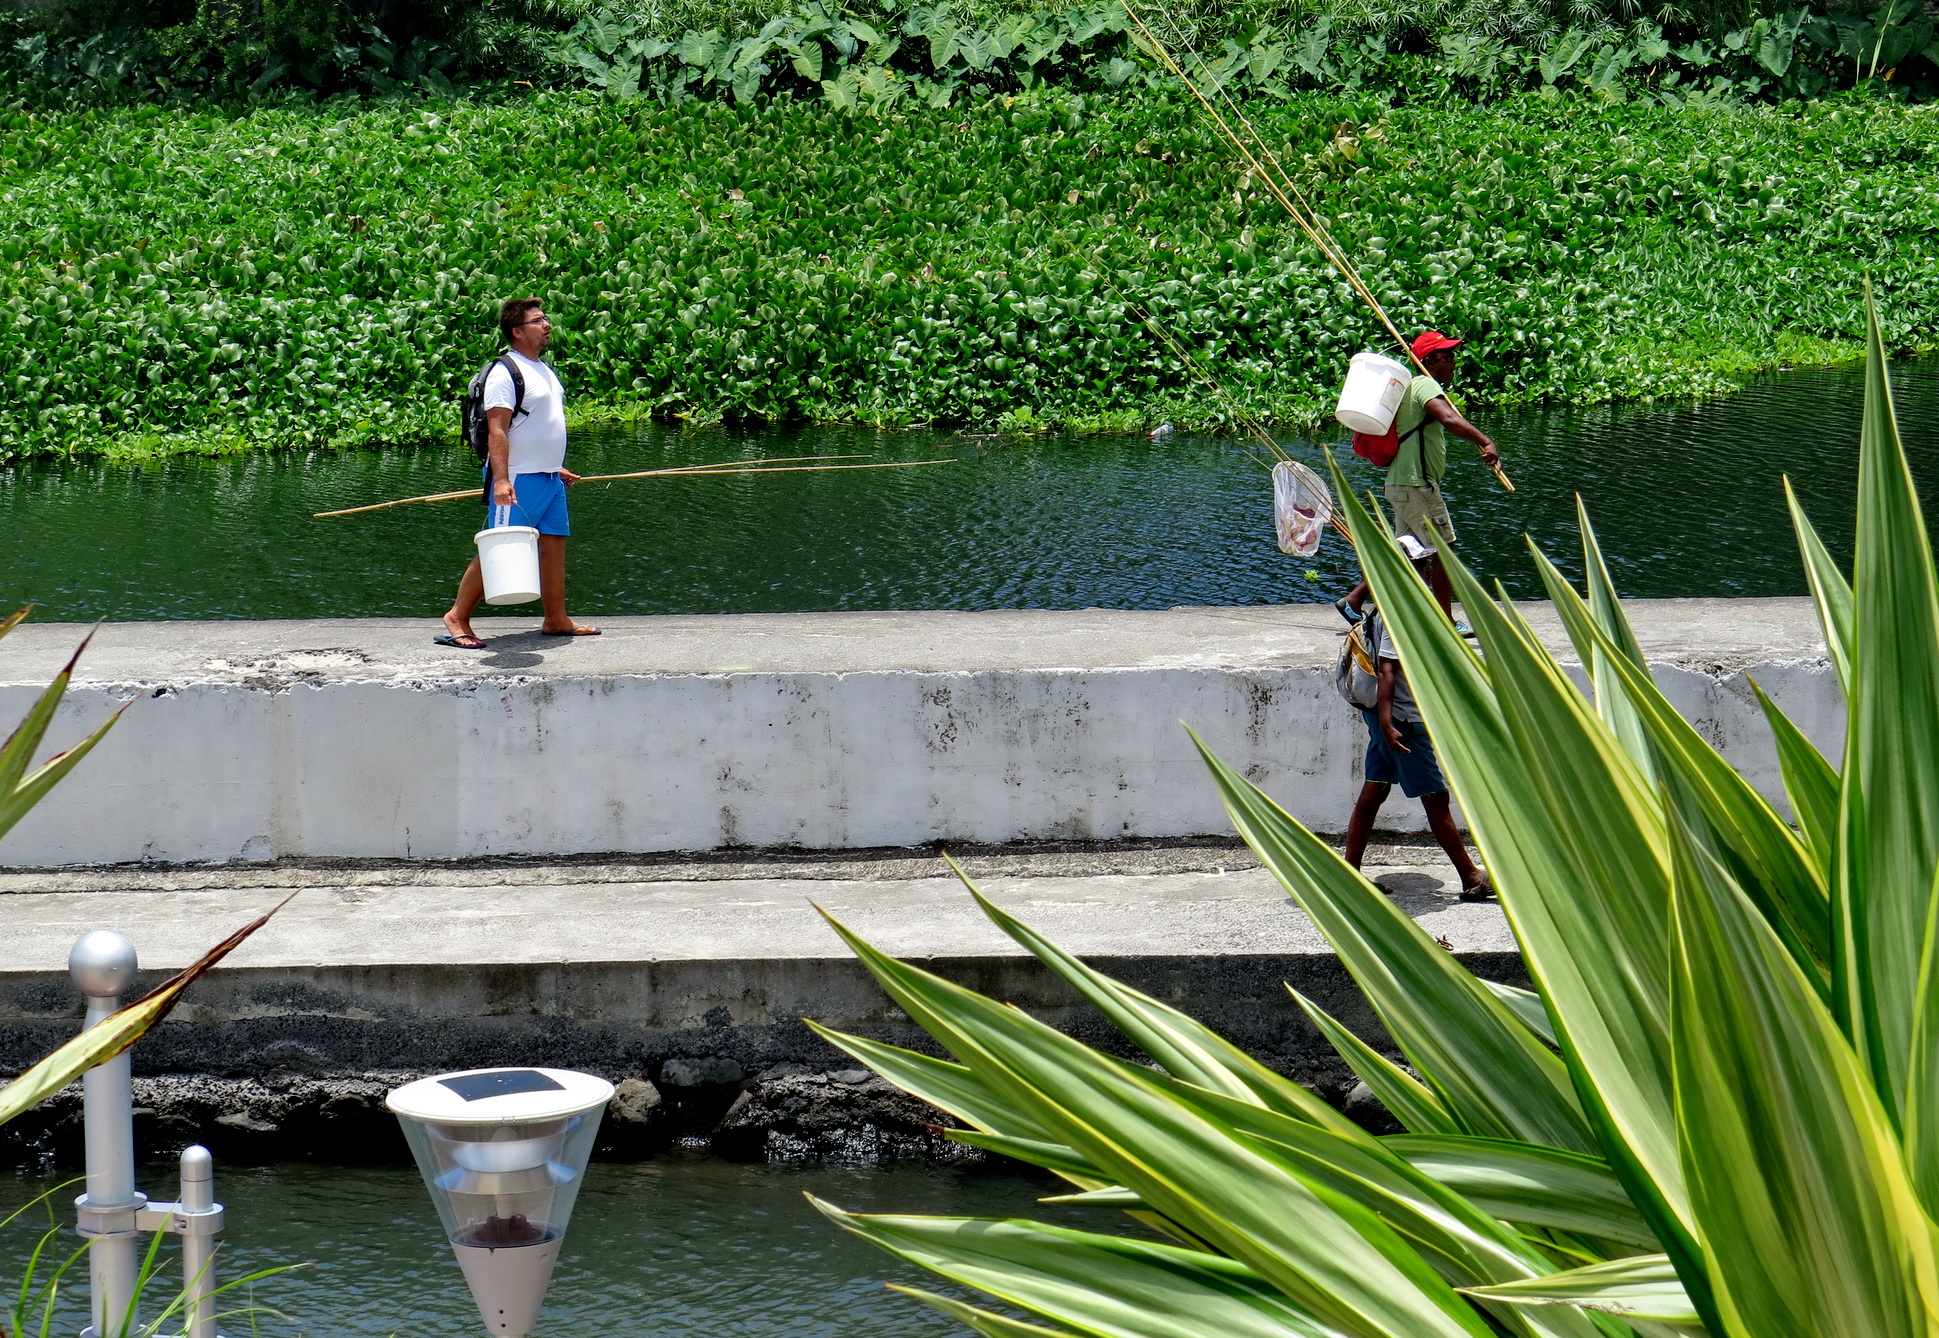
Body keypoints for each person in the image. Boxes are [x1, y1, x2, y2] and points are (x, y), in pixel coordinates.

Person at [438, 299, 599, 647]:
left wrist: (555, 467)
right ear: (517, 331)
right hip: (518, 478)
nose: (546, 325)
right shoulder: (504, 371)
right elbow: (498, 429)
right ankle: (457, 617)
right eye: (537, 320)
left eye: (545, 319)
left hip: (548, 477)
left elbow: (540, 425)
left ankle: (556, 619)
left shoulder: (543, 369)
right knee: (500, 547)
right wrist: (500, 479)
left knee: (553, 546)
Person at [1343, 537, 1494, 901]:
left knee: (1375, 788)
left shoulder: (1388, 606)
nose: (1427, 568)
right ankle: (1471, 877)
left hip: (1387, 720)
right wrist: (1390, 724)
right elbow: (1387, 672)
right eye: (1419, 562)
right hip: (1403, 721)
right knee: (1435, 796)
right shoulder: (1399, 613)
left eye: (1427, 562)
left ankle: (1348, 873)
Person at [1336, 330, 1502, 629]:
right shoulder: (1424, 384)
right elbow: (1448, 419)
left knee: (1409, 554)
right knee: (1443, 554)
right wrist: (1485, 441)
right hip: (1417, 486)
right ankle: (1445, 621)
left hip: (1400, 485)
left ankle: (1355, 599)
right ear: (1430, 360)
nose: (1453, 362)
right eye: (1447, 357)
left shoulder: (1409, 388)